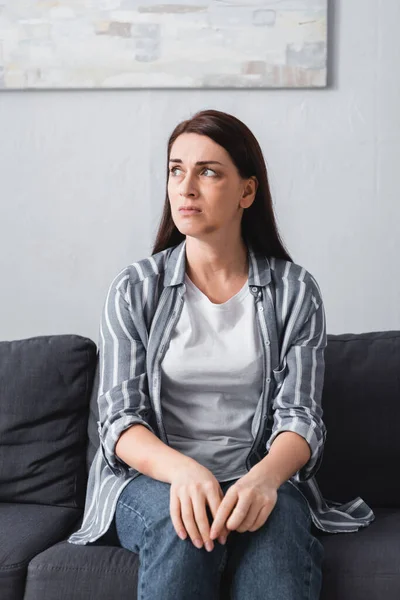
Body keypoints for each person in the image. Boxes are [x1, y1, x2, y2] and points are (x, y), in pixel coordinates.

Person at [67, 109, 375, 599]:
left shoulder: (294, 291)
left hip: (256, 474)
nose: (186, 187)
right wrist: (185, 473)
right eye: (176, 169)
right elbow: (119, 422)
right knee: (181, 527)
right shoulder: (134, 289)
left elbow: (301, 418)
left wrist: (264, 480)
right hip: (155, 479)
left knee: (277, 537)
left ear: (246, 192)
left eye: (208, 171)